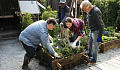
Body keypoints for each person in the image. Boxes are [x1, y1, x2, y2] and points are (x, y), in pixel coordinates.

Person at [80, 1, 104, 65]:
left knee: (95, 46)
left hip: (96, 31)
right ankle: (90, 56)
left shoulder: (95, 12)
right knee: (90, 44)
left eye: (85, 10)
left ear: (89, 7)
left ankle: (93, 60)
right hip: (92, 30)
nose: (85, 11)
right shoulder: (89, 10)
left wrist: (99, 36)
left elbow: (101, 25)